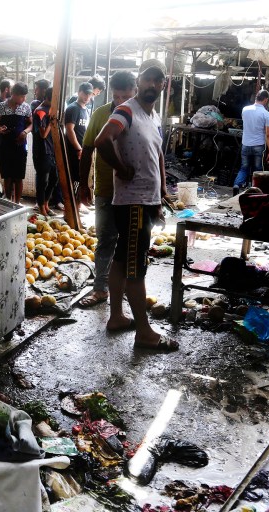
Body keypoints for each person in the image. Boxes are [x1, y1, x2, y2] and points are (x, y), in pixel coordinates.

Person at [94, 59, 177, 351]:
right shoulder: (126, 110)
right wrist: (121, 168)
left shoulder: (152, 117)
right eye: (147, 79)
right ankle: (144, 331)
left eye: (158, 81)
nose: (152, 85)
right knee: (136, 268)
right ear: (138, 82)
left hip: (146, 201)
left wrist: (161, 192)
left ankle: (117, 317)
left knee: (121, 260)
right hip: (131, 205)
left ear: (163, 85)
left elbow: (157, 156)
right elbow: (102, 140)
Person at [77, 70, 137, 308]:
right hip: (105, 189)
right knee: (106, 239)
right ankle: (101, 288)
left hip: (134, 190)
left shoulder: (141, 114)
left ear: (135, 92)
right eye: (117, 96)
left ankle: (123, 287)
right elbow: (88, 149)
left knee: (130, 241)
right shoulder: (101, 113)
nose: (121, 101)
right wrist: (84, 183)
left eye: (126, 96)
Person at [0, 81, 32, 203]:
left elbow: (31, 124)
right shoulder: (1, 106)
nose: (24, 98)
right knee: (7, 176)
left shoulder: (26, 107)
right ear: (13, 94)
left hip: (20, 147)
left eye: (25, 96)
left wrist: (25, 132)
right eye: (22, 96)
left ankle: (17, 202)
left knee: (19, 176)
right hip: (6, 146)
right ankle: (8, 201)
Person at [233, 89, 269, 192]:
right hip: (258, 146)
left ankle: (237, 185)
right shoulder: (266, 114)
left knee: (244, 168)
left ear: (256, 98)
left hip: (245, 144)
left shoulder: (245, 109)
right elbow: (268, 134)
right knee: (257, 170)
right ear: (266, 100)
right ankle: (256, 190)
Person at [64, 82, 93, 197]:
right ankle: (71, 206)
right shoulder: (73, 108)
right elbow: (69, 130)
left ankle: (78, 204)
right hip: (74, 150)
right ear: (79, 92)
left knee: (81, 177)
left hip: (83, 149)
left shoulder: (85, 109)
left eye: (89, 95)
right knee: (73, 178)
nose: (87, 97)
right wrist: (78, 148)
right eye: (85, 94)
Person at [33, 87, 58, 215]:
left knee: (54, 178)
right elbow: (43, 134)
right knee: (43, 181)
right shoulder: (40, 111)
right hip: (42, 151)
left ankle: (46, 204)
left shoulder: (51, 109)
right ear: (49, 98)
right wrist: (52, 120)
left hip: (52, 150)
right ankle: (41, 208)